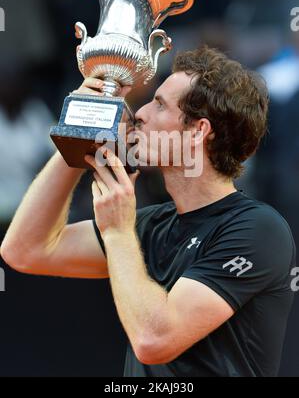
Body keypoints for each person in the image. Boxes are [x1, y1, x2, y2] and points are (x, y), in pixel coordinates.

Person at [1, 46, 296, 377]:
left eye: (159, 105)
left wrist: (117, 233)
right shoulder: (150, 224)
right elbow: (24, 249)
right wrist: (77, 131)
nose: (139, 113)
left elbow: (153, 339)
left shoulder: (257, 229)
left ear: (199, 131)